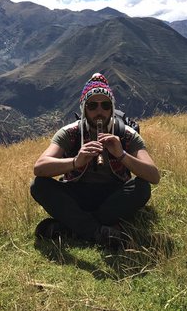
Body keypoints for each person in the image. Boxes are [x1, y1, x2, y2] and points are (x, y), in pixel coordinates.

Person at [30, 72, 160, 249]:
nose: (99, 111)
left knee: (142, 188)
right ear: (84, 108)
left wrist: (122, 154)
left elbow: (153, 176)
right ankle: (101, 231)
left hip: (113, 195)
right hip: (77, 191)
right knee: (39, 185)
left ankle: (73, 227)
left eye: (105, 105)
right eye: (92, 106)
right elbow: (39, 168)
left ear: (112, 108)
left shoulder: (127, 134)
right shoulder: (70, 133)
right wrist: (76, 161)